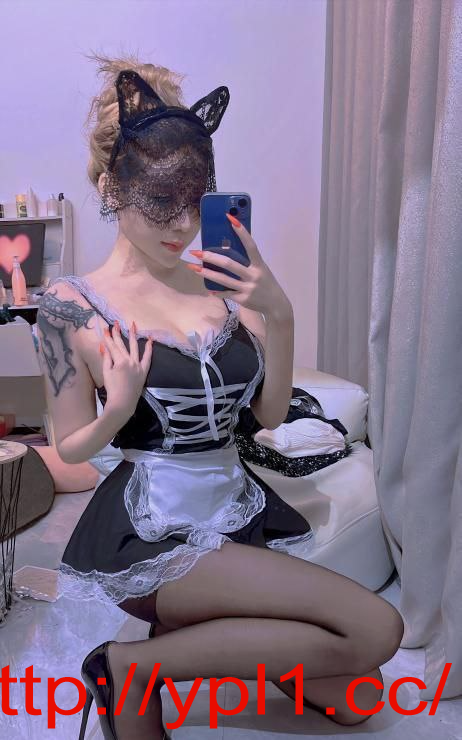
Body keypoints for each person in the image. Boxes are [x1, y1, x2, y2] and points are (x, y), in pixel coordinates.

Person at [36, 55, 404, 740]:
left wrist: (280, 315)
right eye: (159, 200)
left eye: (192, 199)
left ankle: (177, 652)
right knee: (377, 628)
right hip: (151, 531)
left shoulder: (222, 284)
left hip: (236, 514)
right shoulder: (70, 305)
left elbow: (268, 416)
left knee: (358, 695)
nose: (180, 224)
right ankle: (127, 669)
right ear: (111, 187)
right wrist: (117, 409)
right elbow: (69, 447)